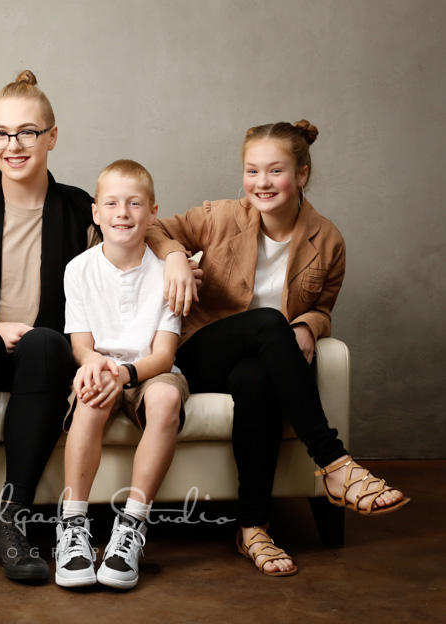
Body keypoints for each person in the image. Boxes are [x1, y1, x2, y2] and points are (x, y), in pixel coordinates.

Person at [0, 72, 185, 585]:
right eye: (0, 133)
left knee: (45, 341)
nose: (13, 145)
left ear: (52, 136)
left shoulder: (76, 207)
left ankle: (13, 520)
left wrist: (174, 253)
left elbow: (132, 223)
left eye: (27, 132)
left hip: (46, 357)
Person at [157, 120, 408, 576]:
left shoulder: (327, 240)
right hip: (201, 352)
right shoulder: (220, 217)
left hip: (264, 362)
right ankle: (334, 461)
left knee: (256, 379)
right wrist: (176, 256)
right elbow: (153, 228)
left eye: (275, 171)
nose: (262, 183)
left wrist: (311, 324)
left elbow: (324, 307)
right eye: (252, 171)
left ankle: (252, 528)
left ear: (303, 174)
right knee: (269, 323)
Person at [54, 160, 189, 590]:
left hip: (147, 370)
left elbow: (164, 356)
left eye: (134, 203)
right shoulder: (79, 269)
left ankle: (130, 527)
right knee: (92, 396)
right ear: (95, 212)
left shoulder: (166, 271)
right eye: (111, 203)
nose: (122, 212)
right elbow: (80, 344)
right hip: (102, 364)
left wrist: (125, 373)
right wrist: (94, 364)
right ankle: (72, 528)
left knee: (166, 398)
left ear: (153, 213)